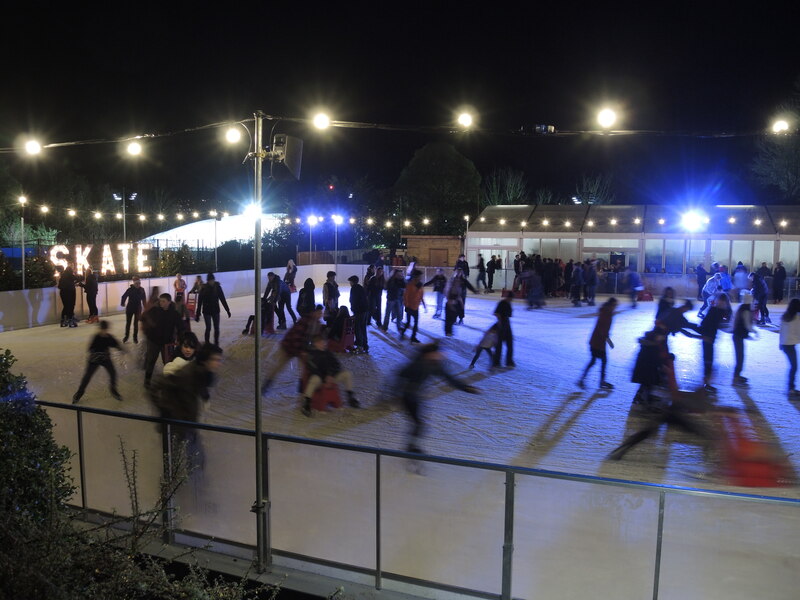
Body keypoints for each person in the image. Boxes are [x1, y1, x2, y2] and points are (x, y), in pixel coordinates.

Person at [396, 342, 478, 453]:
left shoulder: (434, 365)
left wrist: (466, 388)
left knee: (419, 424)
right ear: (430, 354)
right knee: (418, 424)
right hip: (407, 396)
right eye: (437, 353)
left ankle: (412, 446)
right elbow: (400, 375)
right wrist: (394, 393)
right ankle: (411, 447)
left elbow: (449, 379)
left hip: (416, 395)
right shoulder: (416, 364)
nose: (440, 355)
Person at [261, 304, 324, 394]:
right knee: (279, 366)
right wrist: (302, 351)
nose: (320, 315)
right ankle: (266, 384)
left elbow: (316, 338)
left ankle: (302, 388)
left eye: (321, 313)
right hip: (288, 346)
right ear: (314, 313)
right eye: (318, 313)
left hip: (300, 348)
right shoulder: (305, 320)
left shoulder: (316, 324)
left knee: (304, 368)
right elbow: (295, 336)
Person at [301, 335, 359, 416]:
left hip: (331, 377)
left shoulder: (327, 352)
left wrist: (331, 375)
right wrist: (325, 377)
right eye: (320, 343)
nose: (323, 344)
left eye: (323, 342)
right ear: (316, 344)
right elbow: (313, 369)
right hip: (320, 378)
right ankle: (307, 403)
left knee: (347, 374)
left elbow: (337, 365)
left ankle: (350, 396)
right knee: (314, 379)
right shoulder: (312, 354)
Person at [72, 320, 124, 403]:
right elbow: (90, 348)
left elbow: (116, 344)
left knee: (113, 373)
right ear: (100, 329)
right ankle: (79, 394)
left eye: (105, 330)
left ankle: (113, 389)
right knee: (87, 377)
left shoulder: (109, 337)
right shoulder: (96, 337)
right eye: (102, 329)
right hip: (94, 360)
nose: (104, 331)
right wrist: (96, 352)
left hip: (105, 359)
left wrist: (121, 349)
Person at [142, 293, 184, 387]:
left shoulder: (174, 313)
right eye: (160, 301)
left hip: (167, 343)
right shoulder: (155, 310)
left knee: (168, 362)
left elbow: (181, 327)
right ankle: (147, 380)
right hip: (154, 341)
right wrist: (149, 328)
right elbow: (144, 317)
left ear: (169, 302)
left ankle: (169, 380)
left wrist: (181, 339)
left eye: (163, 301)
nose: (161, 303)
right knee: (151, 361)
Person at [578, 297, 618, 389]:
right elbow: (602, 329)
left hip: (597, 342)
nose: (616, 307)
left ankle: (584, 380)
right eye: (615, 305)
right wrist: (609, 341)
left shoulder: (607, 312)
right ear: (611, 305)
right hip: (598, 342)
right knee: (601, 361)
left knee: (595, 361)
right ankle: (599, 381)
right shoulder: (606, 313)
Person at [698, 292, 729, 393]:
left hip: (711, 338)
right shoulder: (714, 310)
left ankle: (707, 382)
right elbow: (704, 323)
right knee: (708, 360)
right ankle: (707, 383)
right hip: (707, 338)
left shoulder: (720, 311)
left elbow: (724, 321)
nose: (721, 303)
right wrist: (705, 335)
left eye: (723, 301)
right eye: (721, 301)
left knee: (709, 360)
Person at [195, 273, 231, 346]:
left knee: (216, 328)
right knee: (208, 328)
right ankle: (207, 344)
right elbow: (199, 302)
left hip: (215, 311)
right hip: (206, 311)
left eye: (212, 280)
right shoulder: (203, 288)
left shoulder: (217, 287)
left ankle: (216, 343)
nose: (211, 282)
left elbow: (222, 299)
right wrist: (198, 314)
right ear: (207, 280)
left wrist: (227, 310)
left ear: (214, 280)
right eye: (210, 280)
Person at [731, 299, 757, 385]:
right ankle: (736, 377)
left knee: (740, 357)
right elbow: (747, 325)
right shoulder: (746, 312)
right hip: (738, 337)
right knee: (740, 357)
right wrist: (755, 332)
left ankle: (737, 375)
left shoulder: (741, 309)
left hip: (737, 336)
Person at [780, 298, 800, 399]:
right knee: (794, 367)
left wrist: (780, 343)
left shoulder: (785, 316)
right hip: (790, 344)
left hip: (786, 344)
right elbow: (798, 332)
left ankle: (791, 388)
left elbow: (782, 330)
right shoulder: (797, 317)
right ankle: (791, 389)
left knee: (793, 367)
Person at [400, 269, 425, 343]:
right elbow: (405, 296)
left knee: (416, 323)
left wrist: (423, 304)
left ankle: (413, 337)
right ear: (415, 277)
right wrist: (406, 305)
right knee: (408, 323)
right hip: (409, 307)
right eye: (419, 276)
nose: (420, 278)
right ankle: (403, 332)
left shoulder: (420, 285)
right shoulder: (410, 285)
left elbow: (421, 295)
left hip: (416, 307)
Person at [120, 276, 147, 343]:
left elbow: (144, 299)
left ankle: (135, 337)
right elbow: (124, 296)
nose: (138, 285)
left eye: (139, 283)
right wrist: (122, 303)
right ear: (134, 283)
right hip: (130, 308)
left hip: (138, 309)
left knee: (136, 324)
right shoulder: (130, 289)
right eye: (137, 283)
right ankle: (126, 336)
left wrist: (145, 307)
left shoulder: (142, 290)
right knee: (128, 323)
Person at [347, 275, 370, 353]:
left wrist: (354, 310)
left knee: (358, 328)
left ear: (352, 282)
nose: (350, 283)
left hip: (359, 311)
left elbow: (353, 300)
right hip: (365, 310)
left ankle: (360, 346)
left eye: (350, 281)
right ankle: (365, 345)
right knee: (363, 328)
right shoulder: (360, 288)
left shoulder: (354, 289)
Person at [493, 291, 515, 368]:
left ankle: (509, 361)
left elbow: (510, 315)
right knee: (499, 345)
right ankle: (496, 362)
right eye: (511, 298)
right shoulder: (502, 303)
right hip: (501, 324)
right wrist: (499, 322)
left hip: (507, 324)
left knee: (510, 344)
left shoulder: (509, 304)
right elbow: (496, 313)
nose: (511, 300)